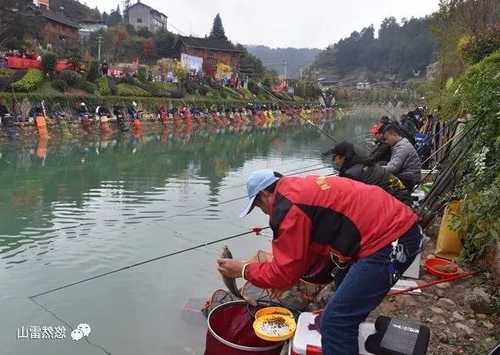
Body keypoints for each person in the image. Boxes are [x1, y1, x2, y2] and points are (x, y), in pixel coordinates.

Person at [218, 170, 423, 355]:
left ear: (264, 195)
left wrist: (243, 270)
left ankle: (341, 335)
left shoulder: (288, 207)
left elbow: (284, 272)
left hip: (391, 242)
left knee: (335, 323)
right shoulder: (297, 188)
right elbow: (305, 253)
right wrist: (287, 279)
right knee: (342, 289)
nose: (264, 212)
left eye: (259, 206)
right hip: (391, 229)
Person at [331, 141, 412, 205]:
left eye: (334, 157)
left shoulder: (351, 174)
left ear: (343, 157)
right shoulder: (364, 162)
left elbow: (354, 198)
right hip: (403, 194)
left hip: (398, 201)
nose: (334, 161)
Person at [382, 123, 422, 191]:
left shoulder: (402, 147)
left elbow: (393, 168)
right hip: (407, 176)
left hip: (408, 179)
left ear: (394, 134)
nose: (386, 141)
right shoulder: (400, 145)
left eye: (387, 138)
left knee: (380, 182)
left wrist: (376, 169)